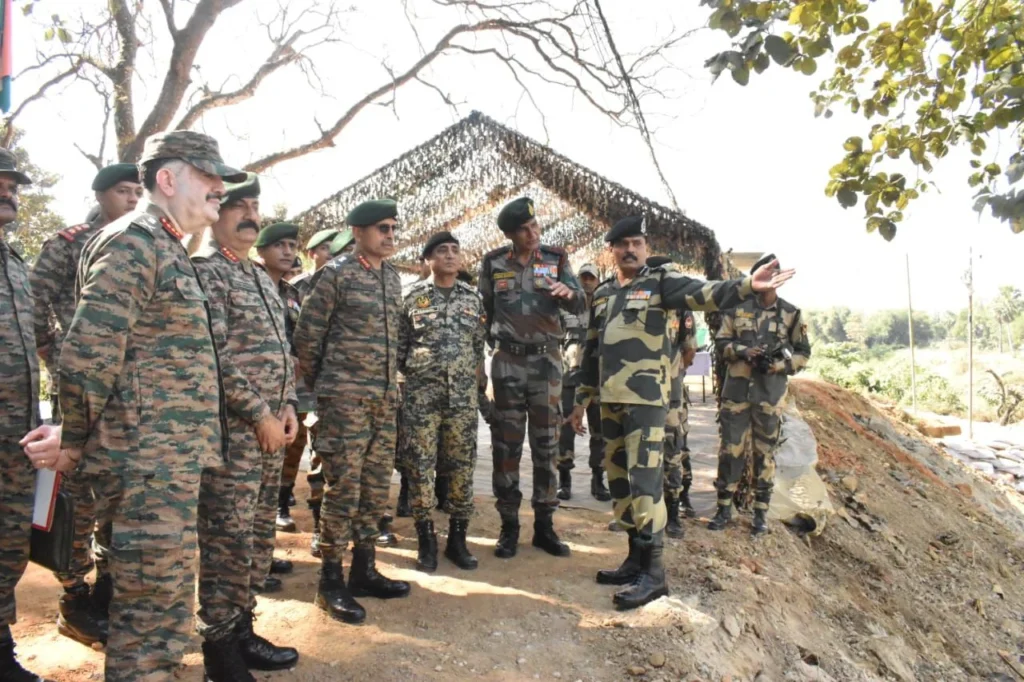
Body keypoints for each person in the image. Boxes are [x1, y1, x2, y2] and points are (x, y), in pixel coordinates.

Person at [57, 131, 244, 682]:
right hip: (144, 467)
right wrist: (73, 439)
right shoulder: (133, 242)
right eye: (207, 177)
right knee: (149, 619)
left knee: (163, 610)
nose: (219, 189)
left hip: (168, 464)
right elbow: (87, 353)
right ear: (166, 179)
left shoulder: (167, 247)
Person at [571, 216, 794, 610]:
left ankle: (655, 574)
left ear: (645, 247)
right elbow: (592, 349)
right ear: (612, 250)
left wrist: (746, 285)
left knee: (645, 484)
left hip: (646, 401)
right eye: (623, 244)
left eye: (637, 243)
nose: (631, 250)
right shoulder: (603, 293)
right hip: (610, 401)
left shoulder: (661, 282)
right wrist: (581, 398)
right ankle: (634, 559)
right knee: (619, 482)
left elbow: (704, 292)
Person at [191, 176, 300, 680]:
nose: (250, 215)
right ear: (216, 212)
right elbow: (213, 356)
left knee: (257, 538)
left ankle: (242, 629)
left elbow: (283, 351)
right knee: (227, 542)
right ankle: (219, 651)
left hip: (272, 433)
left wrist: (288, 405)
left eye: (255, 205)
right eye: (238, 206)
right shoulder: (206, 273)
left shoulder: (258, 276)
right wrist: (259, 413)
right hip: (233, 436)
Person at [29, 162, 142, 647]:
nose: (132, 199)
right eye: (123, 191)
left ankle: (109, 590)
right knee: (76, 497)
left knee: (121, 492)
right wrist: (58, 356)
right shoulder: (67, 244)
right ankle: (74, 598)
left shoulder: (143, 244)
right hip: (80, 390)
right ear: (100, 196)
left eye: (137, 191)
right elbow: (33, 304)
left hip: (130, 394)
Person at [294, 199, 411, 626]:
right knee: (342, 489)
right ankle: (330, 581)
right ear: (358, 232)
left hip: (383, 400)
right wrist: (330, 387)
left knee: (376, 488)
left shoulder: (392, 277)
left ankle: (364, 569)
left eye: (393, 228)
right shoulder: (336, 274)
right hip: (344, 402)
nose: (390, 235)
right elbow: (307, 338)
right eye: (382, 228)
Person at [478, 196, 584, 559]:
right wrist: (486, 361)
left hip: (546, 364)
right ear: (510, 234)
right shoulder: (493, 263)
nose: (532, 233)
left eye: (534, 225)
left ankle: (544, 526)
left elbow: (581, 302)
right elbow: (483, 313)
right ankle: (509, 526)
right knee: (505, 446)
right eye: (523, 229)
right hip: (507, 363)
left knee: (547, 444)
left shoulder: (556, 259)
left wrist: (570, 294)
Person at [0, 146, 64, 682]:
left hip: (14, 435)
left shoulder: (15, 263)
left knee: (8, 543)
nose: (9, 191)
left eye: (13, 185)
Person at [398, 231, 486, 572]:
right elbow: (400, 348)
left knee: (462, 467)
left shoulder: (473, 298)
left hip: (461, 399)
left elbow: (476, 345)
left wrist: (474, 385)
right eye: (441, 251)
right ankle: (426, 540)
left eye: (454, 250)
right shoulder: (411, 297)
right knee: (420, 467)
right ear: (428, 259)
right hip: (422, 399)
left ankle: (458, 540)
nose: (449, 255)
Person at [708, 253, 810, 536]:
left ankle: (760, 514)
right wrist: (743, 351)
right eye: (766, 275)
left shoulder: (791, 313)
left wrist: (779, 366)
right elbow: (721, 342)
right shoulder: (736, 310)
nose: (771, 281)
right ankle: (723, 509)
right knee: (730, 451)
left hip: (769, 394)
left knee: (765, 454)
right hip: (736, 393)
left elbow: (803, 353)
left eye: (775, 275)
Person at [252, 224, 309, 574]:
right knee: (248, 485)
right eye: (279, 245)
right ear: (260, 250)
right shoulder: (248, 284)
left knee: (269, 481)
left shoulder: (290, 292)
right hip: (252, 396)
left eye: (292, 245)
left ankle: (261, 556)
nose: (288, 251)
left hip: (284, 391)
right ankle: (246, 563)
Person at [644, 256, 699, 537]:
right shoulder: (640, 303)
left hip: (671, 394)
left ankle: (673, 510)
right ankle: (638, 511)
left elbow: (689, 350)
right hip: (640, 390)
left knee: (672, 449)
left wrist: (672, 375)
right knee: (638, 449)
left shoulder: (682, 309)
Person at [555, 263, 609, 503]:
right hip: (569, 380)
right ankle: (564, 480)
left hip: (596, 381)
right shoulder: (564, 309)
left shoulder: (605, 309)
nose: (587, 282)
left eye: (591, 278)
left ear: (597, 281)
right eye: (583, 278)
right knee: (565, 430)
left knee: (600, 432)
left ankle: (598, 480)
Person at [289, 228, 337, 298]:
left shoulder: (345, 281)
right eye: (324, 248)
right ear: (311, 254)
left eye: (335, 248)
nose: (331, 252)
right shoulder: (297, 284)